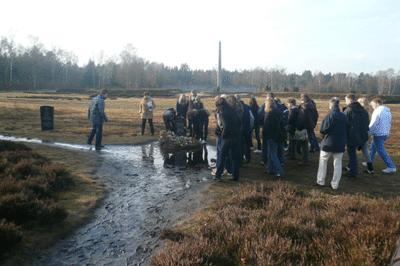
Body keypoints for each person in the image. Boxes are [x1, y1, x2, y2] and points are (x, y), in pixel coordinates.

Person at [315, 97, 349, 190]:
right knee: (337, 164)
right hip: (340, 143)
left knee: (323, 162)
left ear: (331, 105)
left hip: (328, 143)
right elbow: (348, 129)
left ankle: (320, 181)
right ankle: (335, 184)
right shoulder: (344, 116)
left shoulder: (328, 116)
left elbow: (322, 130)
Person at [213, 97, 241, 182]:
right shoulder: (232, 110)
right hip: (236, 136)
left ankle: (218, 176)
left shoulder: (221, 112)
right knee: (235, 157)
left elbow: (226, 126)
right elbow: (240, 122)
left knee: (222, 156)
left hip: (228, 137)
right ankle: (235, 176)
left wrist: (223, 135)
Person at [342, 93, 369, 178]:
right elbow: (366, 123)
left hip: (351, 136)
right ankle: (350, 167)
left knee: (352, 153)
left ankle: (353, 172)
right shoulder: (363, 110)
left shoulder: (348, 110)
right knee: (352, 153)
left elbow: (344, 124)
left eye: (346, 100)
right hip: (361, 135)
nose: (345, 102)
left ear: (350, 100)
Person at [367, 98, 396, 173]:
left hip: (379, 134)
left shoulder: (377, 111)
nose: (372, 107)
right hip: (384, 133)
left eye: (373, 105)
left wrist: (369, 132)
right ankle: (370, 161)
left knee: (380, 150)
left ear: (377, 104)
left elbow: (373, 123)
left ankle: (391, 166)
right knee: (373, 147)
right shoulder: (387, 112)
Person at [262, 99, 285, 177]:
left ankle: (280, 170)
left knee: (272, 153)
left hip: (270, 135)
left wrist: (263, 134)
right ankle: (270, 169)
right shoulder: (278, 112)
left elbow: (266, 127)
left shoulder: (269, 114)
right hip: (277, 135)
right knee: (272, 152)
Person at [296, 93, 318, 166]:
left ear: (303, 100)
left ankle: (305, 160)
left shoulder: (303, 107)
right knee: (306, 142)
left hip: (304, 127)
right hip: (311, 127)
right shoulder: (313, 106)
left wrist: (298, 127)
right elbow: (316, 116)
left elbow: (301, 119)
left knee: (304, 144)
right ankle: (305, 158)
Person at [236, 94, 254, 164]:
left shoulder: (236, 107)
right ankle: (248, 157)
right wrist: (250, 127)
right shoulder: (247, 107)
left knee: (240, 144)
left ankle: (240, 159)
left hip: (239, 129)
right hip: (247, 128)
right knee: (247, 143)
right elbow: (252, 118)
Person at [358, 97, 374, 174]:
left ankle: (350, 166)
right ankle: (370, 168)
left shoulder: (362, 112)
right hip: (367, 133)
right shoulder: (368, 112)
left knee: (352, 149)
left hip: (361, 133)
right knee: (365, 151)